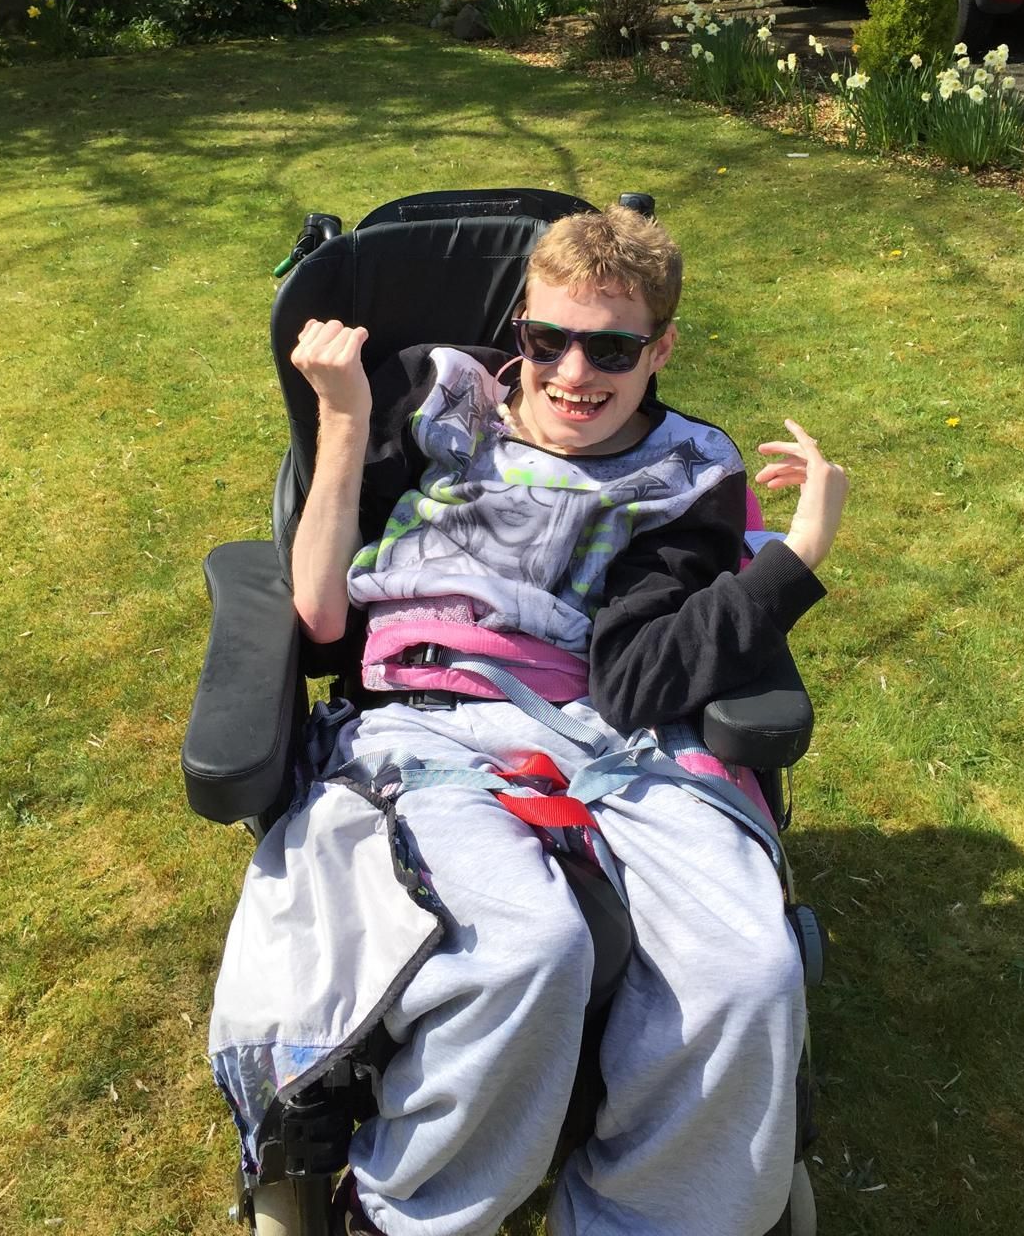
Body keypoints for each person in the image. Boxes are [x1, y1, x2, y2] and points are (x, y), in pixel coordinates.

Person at [212, 204, 848, 1236]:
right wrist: (338, 419)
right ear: (520, 328)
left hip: (609, 730)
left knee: (747, 963)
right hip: (425, 715)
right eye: (547, 339)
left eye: (611, 347)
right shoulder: (432, 402)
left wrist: (792, 559)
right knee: (526, 945)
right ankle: (410, 1215)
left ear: (663, 347)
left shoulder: (683, 474)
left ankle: (663, 1213)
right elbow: (324, 613)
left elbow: (643, 676)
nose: (572, 374)